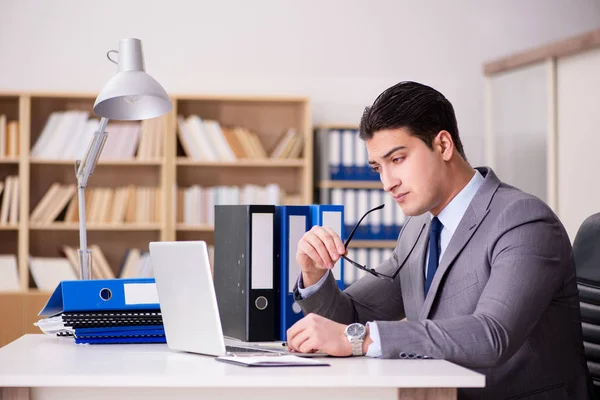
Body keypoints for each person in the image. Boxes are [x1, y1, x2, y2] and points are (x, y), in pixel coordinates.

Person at [287, 81, 592, 399]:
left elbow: (492, 334)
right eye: (379, 167)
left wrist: (360, 339)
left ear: (443, 145)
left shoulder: (523, 220)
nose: (387, 183)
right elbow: (349, 319)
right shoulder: (419, 228)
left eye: (398, 159)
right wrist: (315, 273)